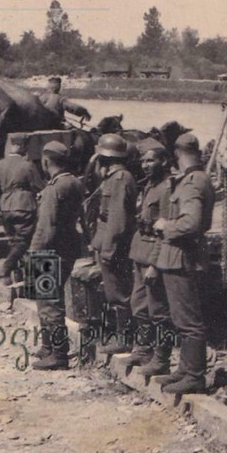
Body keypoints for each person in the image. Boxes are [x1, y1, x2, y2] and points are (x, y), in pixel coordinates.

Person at [153, 133, 216, 394]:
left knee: (189, 321)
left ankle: (194, 376)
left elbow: (192, 222)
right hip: (182, 257)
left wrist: (166, 225)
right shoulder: (197, 179)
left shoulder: (191, 183)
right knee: (182, 318)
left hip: (182, 258)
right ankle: (185, 369)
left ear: (177, 154)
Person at [29, 141, 85, 371]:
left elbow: (46, 226)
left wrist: (34, 251)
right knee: (49, 298)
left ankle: (58, 354)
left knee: (48, 302)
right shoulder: (74, 182)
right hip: (68, 248)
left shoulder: (53, 188)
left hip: (50, 250)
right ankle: (48, 347)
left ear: (46, 161)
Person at [125, 148, 175, 375]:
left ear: (164, 161)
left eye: (151, 160)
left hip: (153, 254)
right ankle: (143, 348)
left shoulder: (166, 190)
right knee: (139, 304)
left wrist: (155, 264)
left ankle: (162, 357)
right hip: (140, 251)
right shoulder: (149, 185)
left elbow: (165, 230)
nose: (145, 164)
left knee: (159, 310)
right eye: (143, 160)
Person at [89, 133, 138, 355]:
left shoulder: (120, 180)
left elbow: (117, 220)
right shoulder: (113, 178)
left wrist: (108, 249)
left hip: (114, 245)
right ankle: (120, 334)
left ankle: (124, 339)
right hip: (106, 241)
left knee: (118, 293)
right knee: (113, 291)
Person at [0, 134, 44, 310]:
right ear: (23, 148)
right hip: (25, 206)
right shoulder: (28, 166)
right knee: (24, 241)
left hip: (6, 207)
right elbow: (39, 186)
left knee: (12, 241)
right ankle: (6, 267)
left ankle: (13, 278)